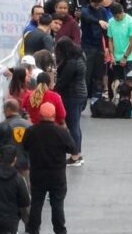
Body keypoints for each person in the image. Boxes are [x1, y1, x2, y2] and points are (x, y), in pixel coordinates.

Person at [22, 102, 77, 234]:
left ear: (40, 115)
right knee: (57, 205)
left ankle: (33, 230)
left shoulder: (31, 131)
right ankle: (59, 230)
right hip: (57, 175)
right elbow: (74, 150)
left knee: (36, 203)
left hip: (37, 173)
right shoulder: (62, 132)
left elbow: (25, 146)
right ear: (54, 115)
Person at [54, 37, 87, 166]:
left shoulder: (71, 63)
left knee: (73, 126)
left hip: (72, 95)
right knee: (76, 126)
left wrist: (53, 90)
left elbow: (63, 82)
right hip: (80, 94)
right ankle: (77, 154)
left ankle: (75, 156)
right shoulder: (80, 57)